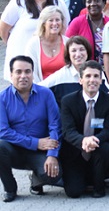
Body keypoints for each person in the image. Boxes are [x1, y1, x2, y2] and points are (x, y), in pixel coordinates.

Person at [0, 56, 62, 202]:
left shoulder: (46, 94)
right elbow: (3, 131)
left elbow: (55, 126)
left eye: (27, 72)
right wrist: (35, 142)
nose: (23, 76)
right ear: (11, 75)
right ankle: (10, 188)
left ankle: (36, 179)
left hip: (40, 151)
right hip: (14, 150)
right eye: (18, 72)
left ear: (33, 73)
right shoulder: (2, 98)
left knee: (53, 176)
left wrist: (52, 155)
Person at [57, 61, 109, 199]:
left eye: (96, 76)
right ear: (80, 80)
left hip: (98, 147)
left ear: (101, 80)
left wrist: (94, 140)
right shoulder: (68, 101)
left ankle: (98, 185)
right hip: (75, 150)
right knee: (74, 192)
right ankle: (82, 178)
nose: (92, 80)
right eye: (88, 76)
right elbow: (67, 131)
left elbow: (107, 130)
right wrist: (83, 140)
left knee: (105, 148)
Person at [1, 0, 70, 82]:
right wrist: (15, 45)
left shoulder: (58, 3)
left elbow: (63, 29)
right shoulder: (18, 3)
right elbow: (3, 30)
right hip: (21, 59)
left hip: (47, 62)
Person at [25, 6, 69, 83]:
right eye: (51, 20)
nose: (54, 23)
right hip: (42, 89)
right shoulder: (33, 44)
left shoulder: (68, 42)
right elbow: (31, 73)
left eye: (57, 20)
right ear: (44, 23)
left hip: (65, 90)